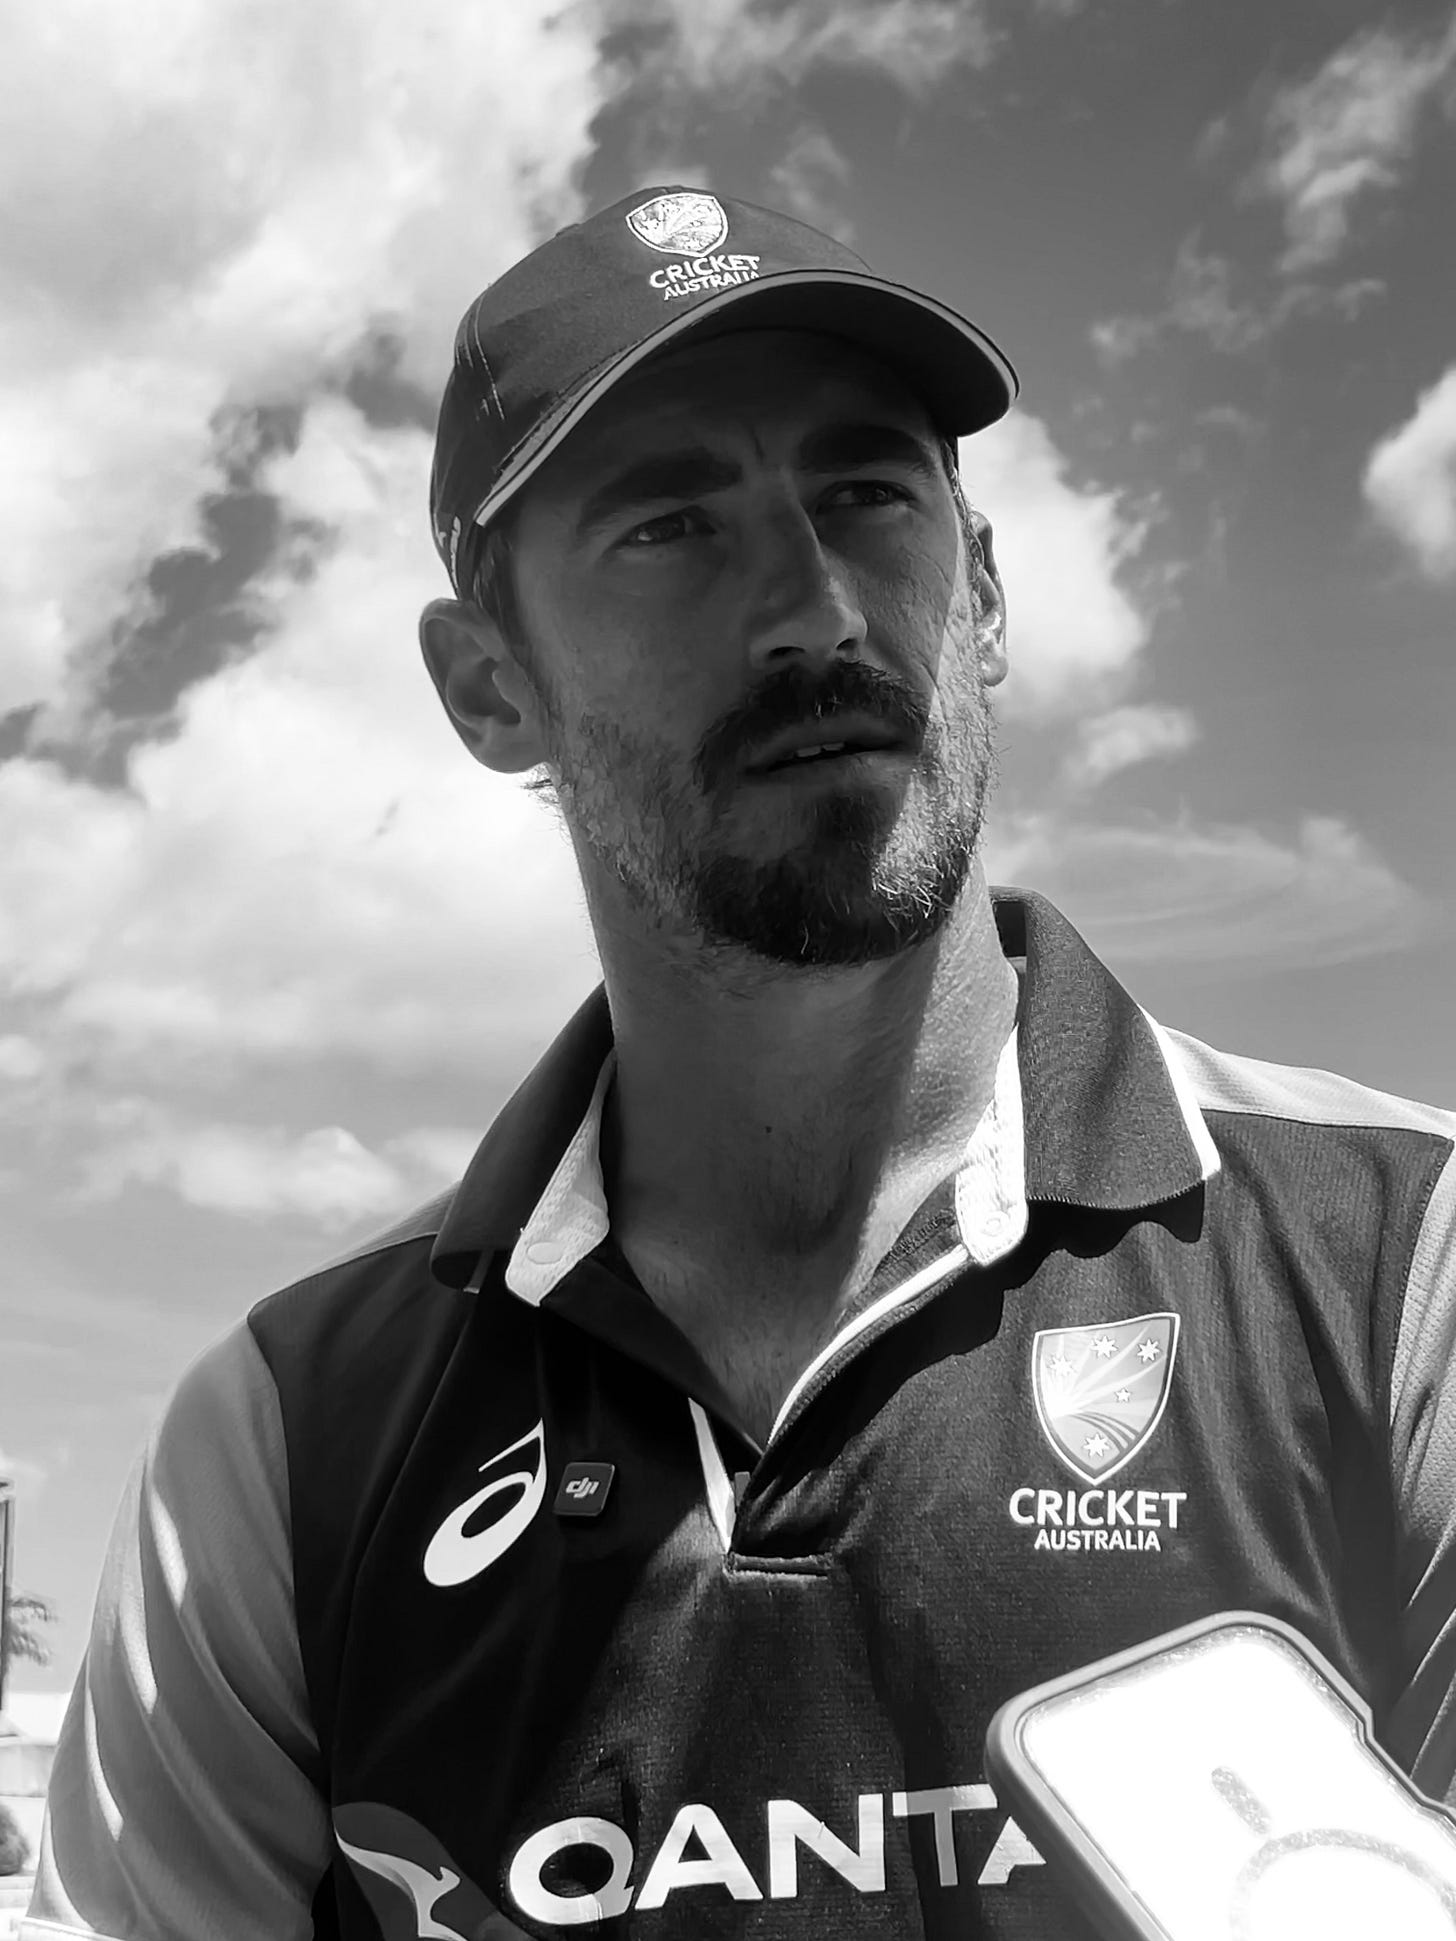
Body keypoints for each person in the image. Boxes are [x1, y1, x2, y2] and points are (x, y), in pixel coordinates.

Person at [24, 186, 1456, 1941]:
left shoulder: (1402, 1262)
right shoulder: (283, 1440)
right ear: (488, 688)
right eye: (671, 526)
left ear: (985, 593)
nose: (814, 613)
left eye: (866, 495)